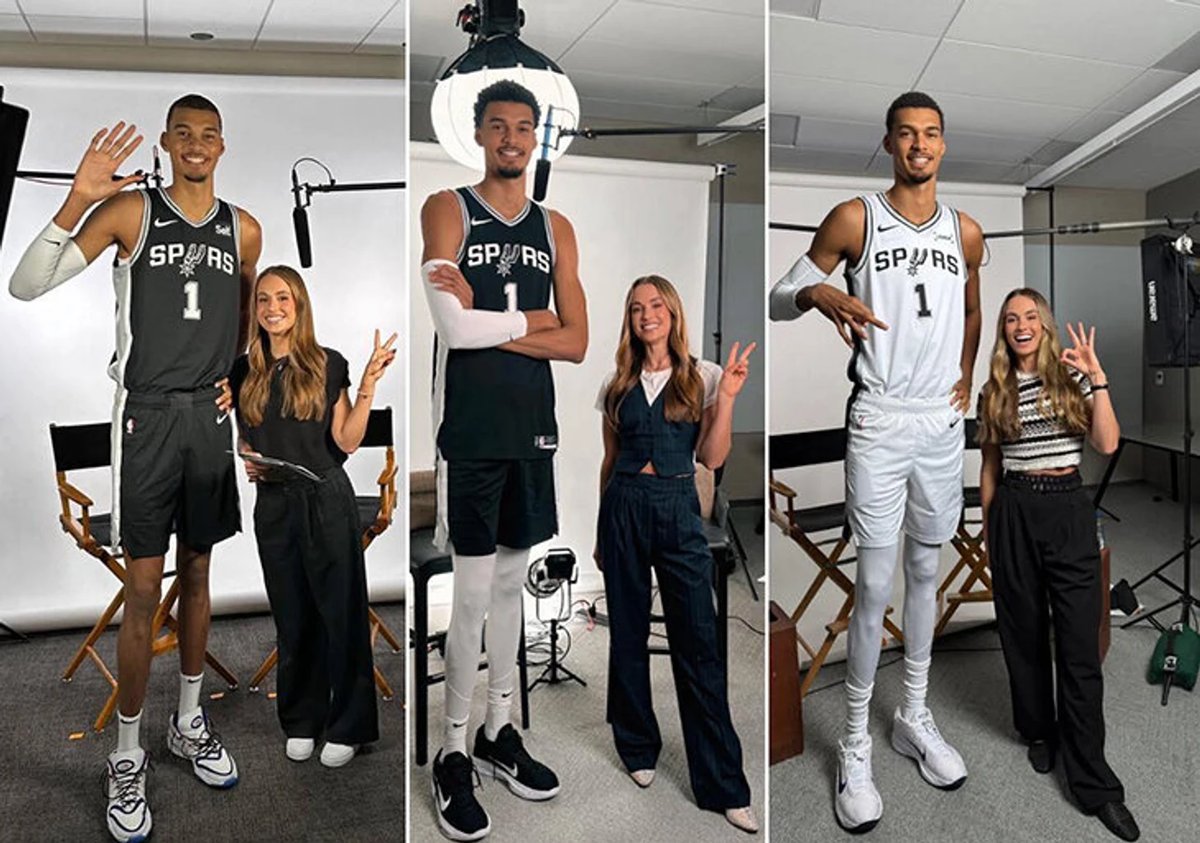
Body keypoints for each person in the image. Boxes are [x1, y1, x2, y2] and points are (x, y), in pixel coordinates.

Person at [8, 95, 261, 843]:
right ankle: (125, 753)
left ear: (223, 146)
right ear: (165, 142)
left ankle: (187, 721)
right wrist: (78, 198)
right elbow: (25, 285)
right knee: (145, 586)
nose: (195, 143)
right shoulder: (129, 212)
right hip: (146, 413)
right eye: (182, 132)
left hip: (207, 421)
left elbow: (244, 311)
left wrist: (238, 375)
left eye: (207, 134)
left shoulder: (243, 227)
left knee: (203, 571)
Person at [768, 91, 982, 833]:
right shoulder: (856, 217)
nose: (919, 145)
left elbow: (973, 308)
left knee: (929, 570)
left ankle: (913, 716)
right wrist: (817, 287)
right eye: (906, 134)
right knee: (876, 582)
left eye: (931, 135)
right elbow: (776, 296)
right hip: (881, 418)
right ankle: (855, 739)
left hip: (939, 423)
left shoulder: (967, 232)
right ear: (888, 143)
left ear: (944, 146)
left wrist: (966, 373)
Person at [420, 78, 587, 841]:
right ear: (479, 134)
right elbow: (453, 328)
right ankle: (450, 748)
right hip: (474, 431)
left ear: (534, 138)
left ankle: (498, 730)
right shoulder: (447, 207)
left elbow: (578, 341)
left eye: (525, 127)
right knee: (474, 592)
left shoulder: (557, 226)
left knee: (515, 586)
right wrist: (533, 318)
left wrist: (500, 324)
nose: (513, 139)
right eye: (499, 126)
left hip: (533, 429)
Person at [594, 275, 758, 834]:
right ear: (630, 319)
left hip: (676, 505)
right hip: (623, 507)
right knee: (629, 633)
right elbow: (608, 461)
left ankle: (722, 784)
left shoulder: (703, 375)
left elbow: (710, 458)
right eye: (636, 307)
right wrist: (600, 530)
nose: (647, 315)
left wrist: (730, 398)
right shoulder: (617, 383)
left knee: (698, 644)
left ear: (673, 312)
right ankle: (637, 745)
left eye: (656, 305)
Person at [977, 289, 1138, 841]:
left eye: (1029, 317)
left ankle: (1094, 783)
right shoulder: (994, 390)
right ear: (1004, 331)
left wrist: (1097, 376)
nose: (1020, 325)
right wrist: (989, 531)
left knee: (1078, 648)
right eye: (1009, 319)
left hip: (1067, 509)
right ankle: (1038, 731)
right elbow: (991, 467)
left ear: (1044, 326)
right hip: (1014, 513)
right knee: (1021, 633)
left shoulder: (1071, 380)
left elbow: (1108, 440)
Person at [229, 265, 394, 768]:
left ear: (299, 306)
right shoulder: (243, 371)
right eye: (263, 300)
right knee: (292, 615)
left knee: (340, 615)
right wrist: (247, 451)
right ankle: (302, 719)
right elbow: (246, 434)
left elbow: (345, 440)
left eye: (283, 298)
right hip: (273, 504)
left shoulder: (328, 363)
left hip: (325, 496)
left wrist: (367, 385)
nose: (272, 308)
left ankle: (349, 725)